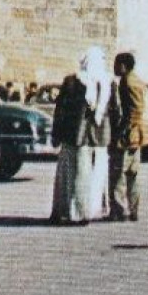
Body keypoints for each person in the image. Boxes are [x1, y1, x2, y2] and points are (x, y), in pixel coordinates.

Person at [49, 47, 112, 225]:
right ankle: (89, 211)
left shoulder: (72, 81)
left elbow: (60, 110)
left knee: (72, 175)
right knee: (93, 176)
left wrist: (56, 134)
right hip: (98, 139)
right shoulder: (106, 83)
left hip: (74, 137)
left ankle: (71, 212)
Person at [107, 52, 147, 221]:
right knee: (133, 174)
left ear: (123, 66)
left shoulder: (126, 82)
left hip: (127, 134)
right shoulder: (138, 80)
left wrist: (121, 133)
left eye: (116, 64)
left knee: (118, 174)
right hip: (137, 134)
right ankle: (134, 209)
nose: (114, 67)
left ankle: (119, 210)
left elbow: (131, 111)